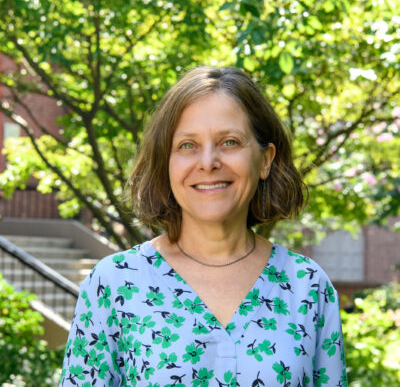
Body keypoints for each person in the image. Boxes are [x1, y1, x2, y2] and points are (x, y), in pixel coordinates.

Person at [60, 67, 347, 387]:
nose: (208, 162)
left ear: (265, 160)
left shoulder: (307, 287)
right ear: (165, 162)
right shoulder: (113, 284)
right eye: (187, 145)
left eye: (229, 141)